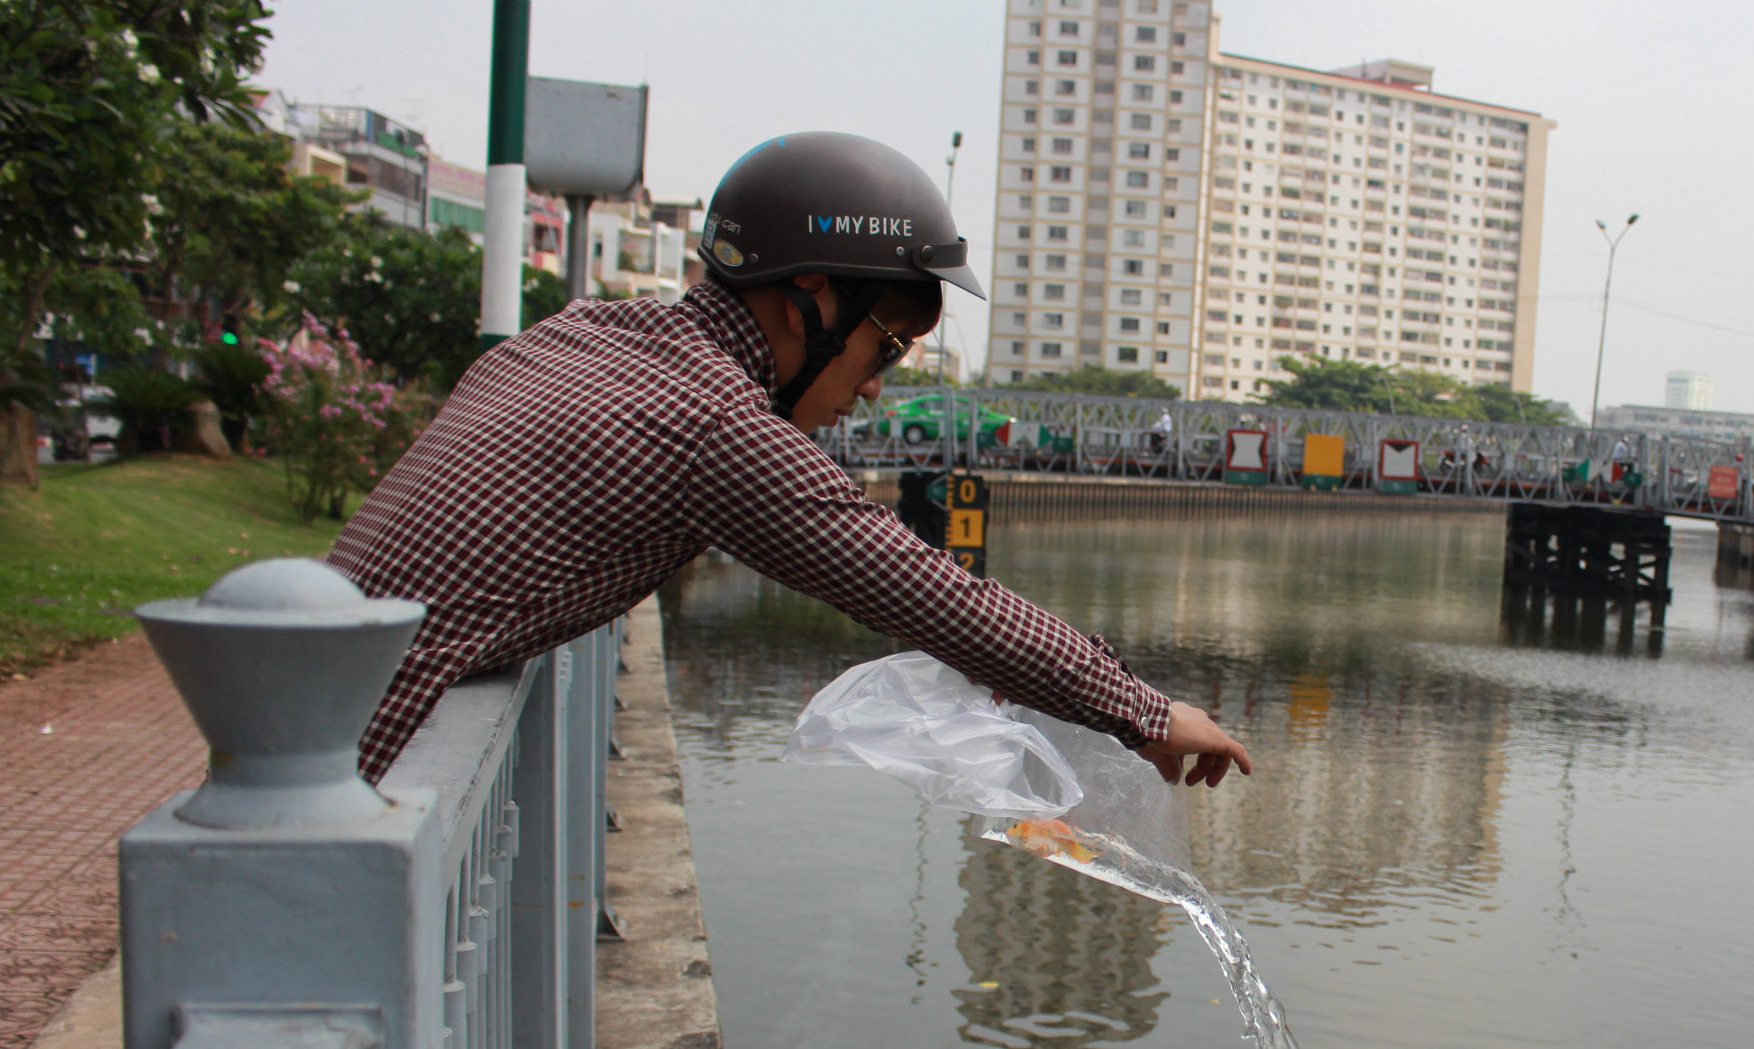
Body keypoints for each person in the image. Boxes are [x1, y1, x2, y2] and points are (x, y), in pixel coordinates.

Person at [328, 132, 1248, 788]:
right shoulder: (709, 420)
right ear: (808, 300)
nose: (879, 385)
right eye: (886, 344)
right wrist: (1146, 713)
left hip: (296, 729)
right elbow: (929, 593)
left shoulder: (589, 331)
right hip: (356, 791)